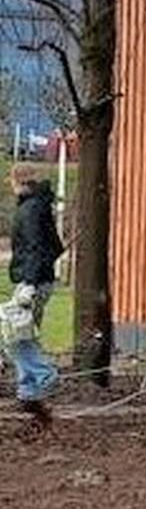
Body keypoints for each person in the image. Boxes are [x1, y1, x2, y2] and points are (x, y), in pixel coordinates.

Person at [7, 164, 64, 428]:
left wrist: (29, 282)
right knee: (20, 334)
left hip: (32, 282)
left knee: (15, 333)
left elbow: (33, 248)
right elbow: (54, 247)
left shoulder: (29, 210)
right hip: (41, 280)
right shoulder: (40, 206)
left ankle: (43, 374)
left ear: (18, 181)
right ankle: (29, 393)